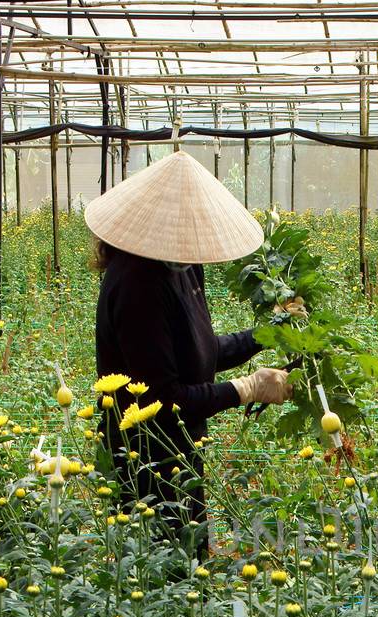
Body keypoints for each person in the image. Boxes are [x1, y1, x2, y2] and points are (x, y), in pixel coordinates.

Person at [86, 150, 292, 549]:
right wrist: (245, 389)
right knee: (165, 574)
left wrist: (265, 334)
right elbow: (166, 400)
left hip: (180, 454)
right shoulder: (136, 286)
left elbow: (199, 349)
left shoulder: (179, 267)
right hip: (146, 462)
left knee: (191, 560)